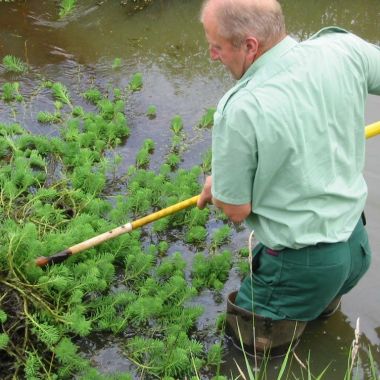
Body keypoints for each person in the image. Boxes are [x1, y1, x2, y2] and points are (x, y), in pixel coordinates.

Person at [197, 0, 380, 354]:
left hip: (300, 268)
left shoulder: (241, 109)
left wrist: (221, 186)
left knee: (245, 356)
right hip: (355, 246)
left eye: (216, 46)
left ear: (250, 45)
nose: (212, 56)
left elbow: (235, 210)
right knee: (318, 321)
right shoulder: (343, 49)